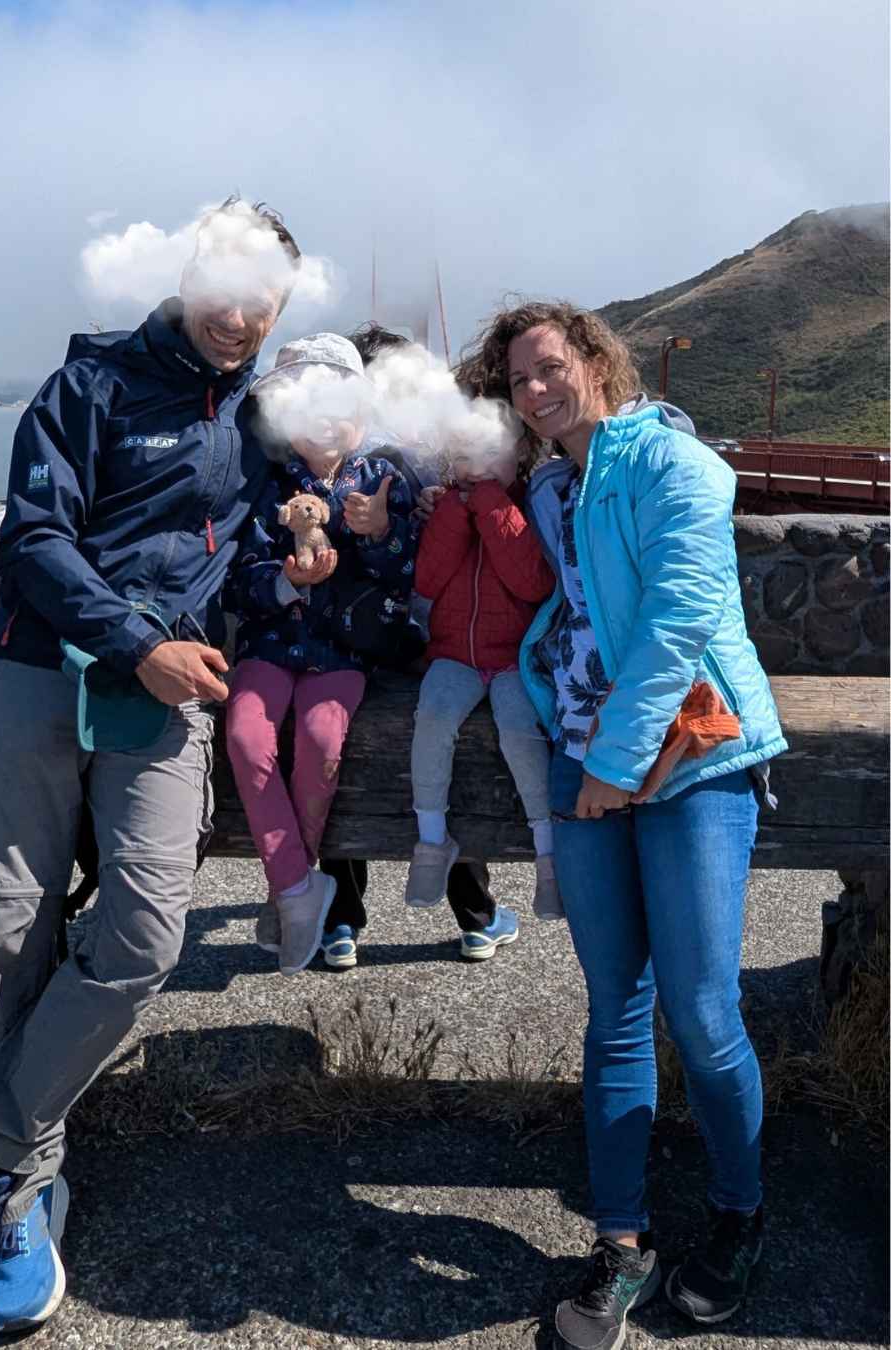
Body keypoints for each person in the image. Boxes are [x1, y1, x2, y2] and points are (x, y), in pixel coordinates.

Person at [0, 198, 301, 1333]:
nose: (238, 318)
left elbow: (254, 554)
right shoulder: (90, 386)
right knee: (9, 924)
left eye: (262, 301)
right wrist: (137, 643)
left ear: (281, 305)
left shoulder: (265, 418)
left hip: (168, 692)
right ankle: (20, 1191)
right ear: (189, 275)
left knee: (146, 935)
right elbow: (33, 540)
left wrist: (305, 554)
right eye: (224, 289)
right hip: (45, 666)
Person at [460, 299, 786, 1350]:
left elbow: (678, 618)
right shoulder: (550, 486)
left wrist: (612, 764)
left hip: (688, 757)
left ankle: (739, 1213)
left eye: (549, 366)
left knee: (701, 1010)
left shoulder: (678, 465)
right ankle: (621, 1240)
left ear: (596, 361)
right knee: (614, 1009)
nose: (534, 390)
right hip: (583, 756)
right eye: (517, 380)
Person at [224, 334, 416, 973]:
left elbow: (407, 579)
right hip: (269, 641)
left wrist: (381, 533)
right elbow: (236, 580)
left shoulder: (384, 480)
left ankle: (291, 889)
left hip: (345, 650)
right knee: (246, 737)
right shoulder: (264, 482)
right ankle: (296, 888)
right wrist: (285, 582)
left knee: (320, 739)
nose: (326, 420)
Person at [314, 323, 504, 956]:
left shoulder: (329, 453)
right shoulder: (425, 454)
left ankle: (342, 922)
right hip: (427, 643)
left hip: (350, 642)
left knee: (337, 761)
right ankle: (475, 917)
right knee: (449, 758)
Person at [404, 409, 560, 957]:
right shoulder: (447, 504)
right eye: (464, 457)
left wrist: (492, 506)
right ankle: (431, 842)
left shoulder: (532, 506)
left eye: (491, 454)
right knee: (432, 719)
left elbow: (532, 582)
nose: (477, 468)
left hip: (516, 658)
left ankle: (548, 853)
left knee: (520, 731)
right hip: (454, 656)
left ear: (520, 453)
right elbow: (428, 579)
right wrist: (453, 511)